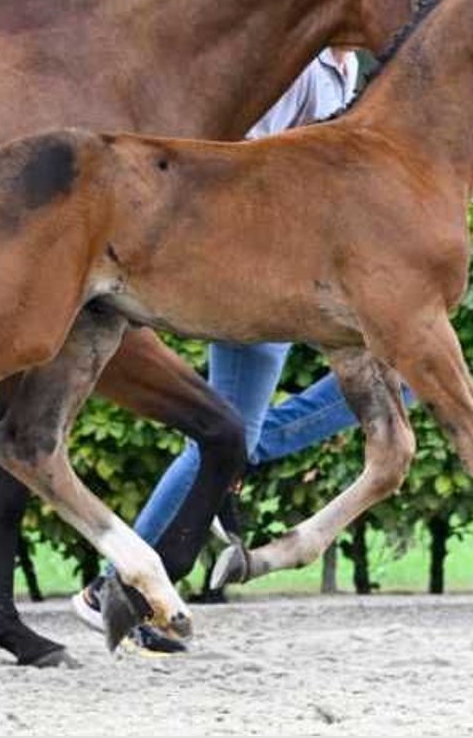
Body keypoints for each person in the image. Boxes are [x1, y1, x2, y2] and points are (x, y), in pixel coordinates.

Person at [73, 47, 411, 652]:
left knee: (402, 379)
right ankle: (109, 589)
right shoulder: (300, 67)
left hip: (307, 266)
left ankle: (139, 584)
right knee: (218, 441)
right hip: (256, 267)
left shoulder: (345, 67)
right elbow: (243, 154)